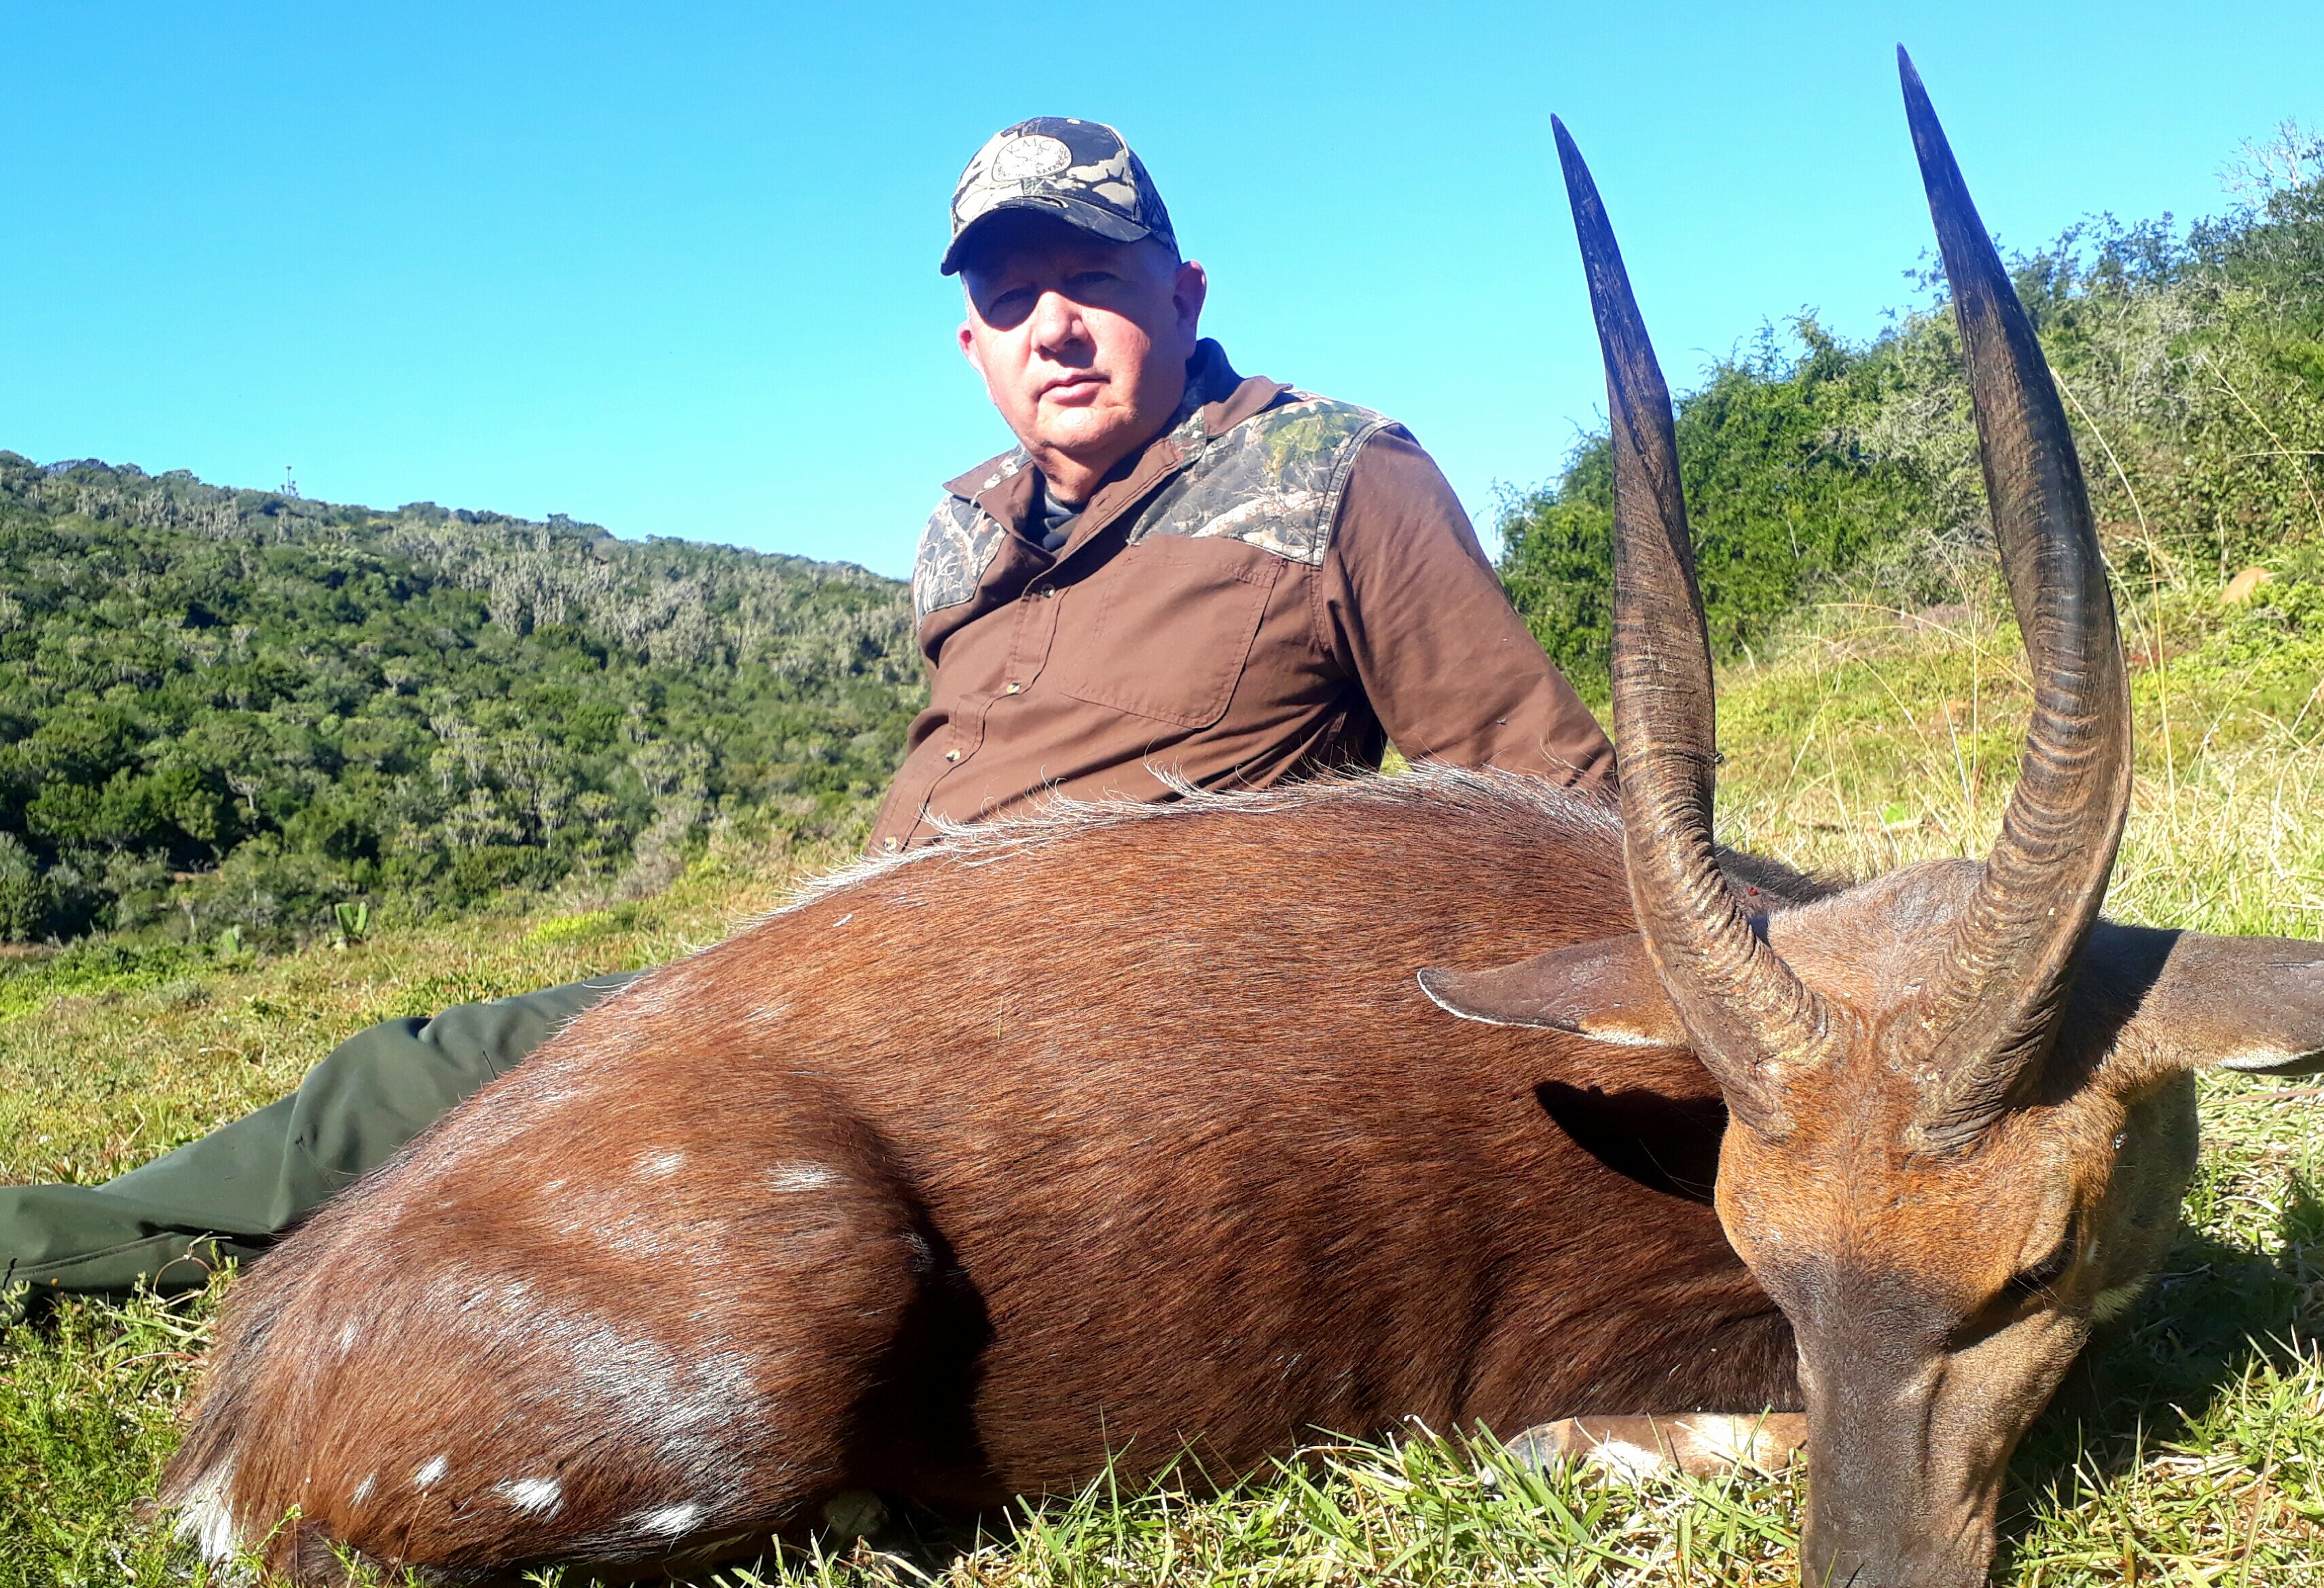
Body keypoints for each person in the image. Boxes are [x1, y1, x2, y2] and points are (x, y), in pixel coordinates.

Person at [0, 118, 1614, 1303]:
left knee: (521, 1159)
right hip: (842, 963)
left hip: (1073, 1034)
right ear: (969, 345)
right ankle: (47, 1243)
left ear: (1183, 289)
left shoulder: (1334, 475)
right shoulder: (967, 523)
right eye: (1009, 299)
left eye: (1091, 279)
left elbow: (1550, 811)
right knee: (409, 1076)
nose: (1051, 325)